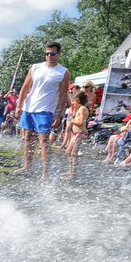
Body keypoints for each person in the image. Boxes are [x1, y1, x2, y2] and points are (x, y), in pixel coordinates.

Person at [16, 42, 70, 177]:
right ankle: (27, 167)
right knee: (28, 138)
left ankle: (45, 173)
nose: (49, 56)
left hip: (46, 109)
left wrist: (59, 114)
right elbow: (25, 87)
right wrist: (19, 106)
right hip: (29, 107)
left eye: (52, 54)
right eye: (47, 53)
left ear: (58, 54)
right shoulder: (35, 67)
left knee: (44, 140)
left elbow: (63, 94)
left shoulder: (63, 72)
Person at [63, 91, 90, 179]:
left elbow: (80, 122)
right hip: (75, 134)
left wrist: (72, 121)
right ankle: (70, 171)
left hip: (80, 133)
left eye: (73, 101)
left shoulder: (83, 109)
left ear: (78, 100)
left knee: (73, 153)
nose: (73, 103)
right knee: (68, 152)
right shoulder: (80, 109)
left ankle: (73, 174)